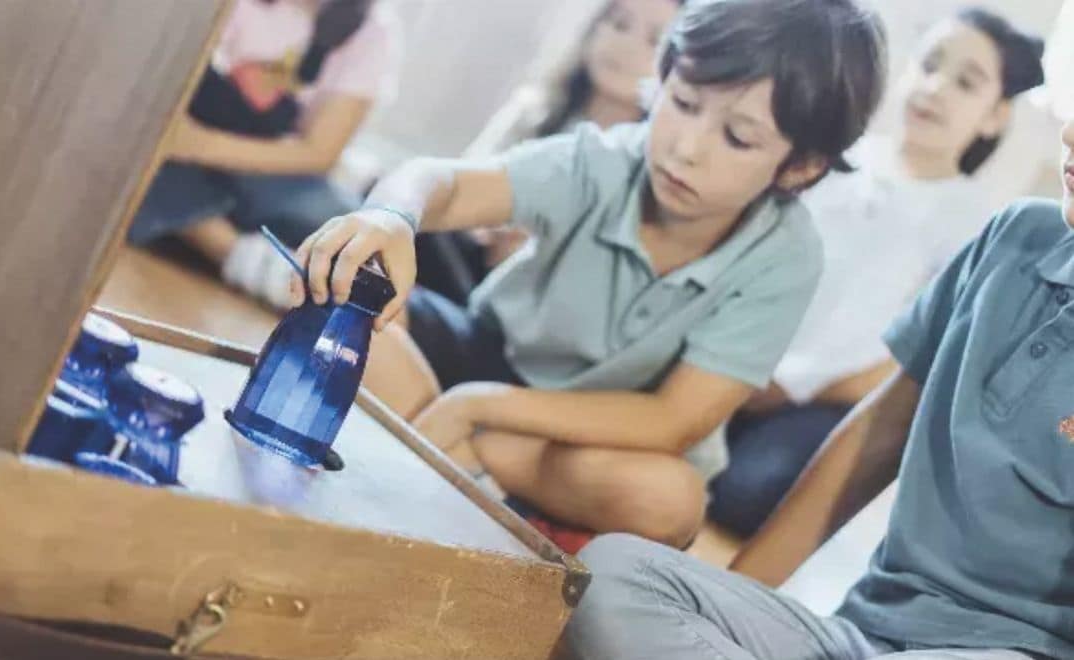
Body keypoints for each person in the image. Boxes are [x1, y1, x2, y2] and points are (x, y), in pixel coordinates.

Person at [290, 0, 888, 551]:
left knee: (672, 500)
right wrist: (391, 215)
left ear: (801, 167)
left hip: (601, 433)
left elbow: (673, 420)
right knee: (336, 307)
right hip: (489, 358)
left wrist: (477, 408)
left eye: (737, 137)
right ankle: (479, 478)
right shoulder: (600, 160)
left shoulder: (786, 257)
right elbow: (437, 181)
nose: (686, 148)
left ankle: (452, 452)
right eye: (681, 103)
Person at [560, 118, 1074, 660]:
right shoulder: (1013, 237)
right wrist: (742, 602)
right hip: (858, 635)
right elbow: (878, 432)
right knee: (614, 572)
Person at [709, 7, 1046, 538]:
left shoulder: (974, 223)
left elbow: (921, 358)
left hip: (827, 403)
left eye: (966, 82)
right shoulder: (832, 158)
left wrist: (798, 387)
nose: (935, 88)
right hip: (739, 360)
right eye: (929, 64)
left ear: (994, 115)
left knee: (745, 493)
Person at [128, 0, 400, 309]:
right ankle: (238, 255)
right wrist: (179, 141)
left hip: (274, 169)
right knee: (138, 154)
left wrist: (197, 145)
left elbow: (319, 153)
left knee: (342, 227)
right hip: (186, 149)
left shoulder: (370, 34)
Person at [415, 0, 685, 303]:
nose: (624, 44)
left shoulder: (653, 166)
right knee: (408, 208)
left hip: (535, 304)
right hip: (471, 255)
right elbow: (460, 183)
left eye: (653, 40)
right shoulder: (537, 109)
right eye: (619, 23)